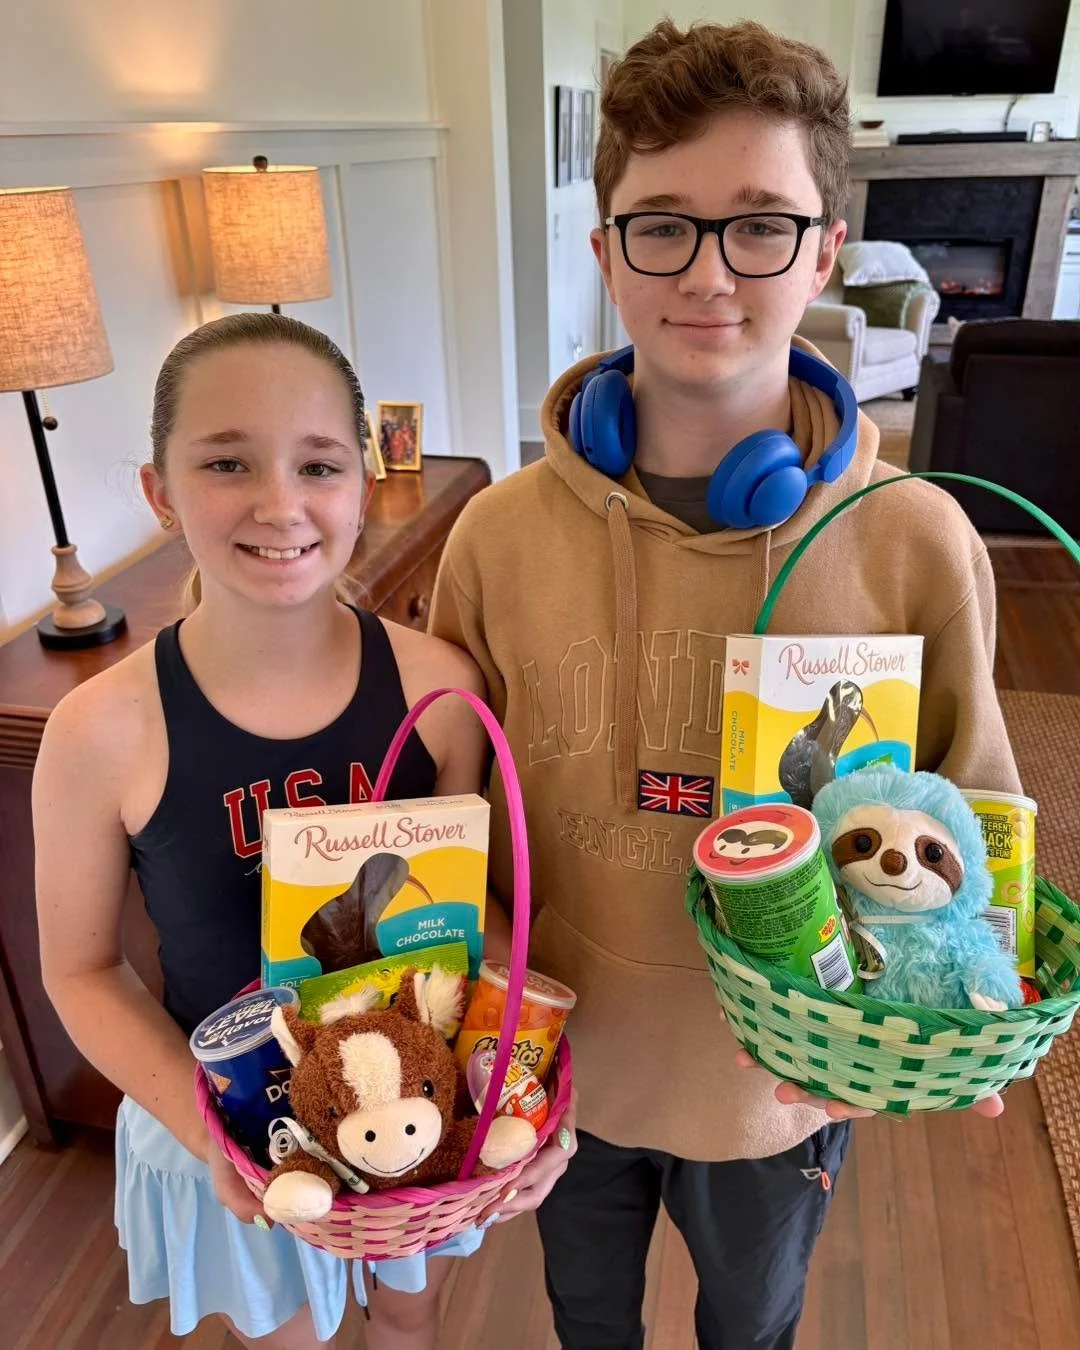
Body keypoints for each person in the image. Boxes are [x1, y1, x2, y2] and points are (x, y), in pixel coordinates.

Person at [428, 20, 1021, 1350]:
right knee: (587, 1321)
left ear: (825, 249)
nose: (707, 272)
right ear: (605, 251)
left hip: (788, 1085)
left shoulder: (917, 538)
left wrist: (956, 1022)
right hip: (561, 1068)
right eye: (663, 226)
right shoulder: (495, 539)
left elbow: (981, 824)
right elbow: (452, 826)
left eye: (759, 225)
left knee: (752, 1328)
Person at [33, 313, 506, 1350]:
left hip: (407, 1103)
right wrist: (206, 1127)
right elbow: (80, 969)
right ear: (160, 491)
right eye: (227, 463)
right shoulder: (99, 731)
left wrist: (512, 1062)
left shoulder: (440, 690)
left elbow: (475, 913)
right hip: (230, 1127)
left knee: (410, 1312)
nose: (280, 504)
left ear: (363, 483)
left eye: (318, 465)